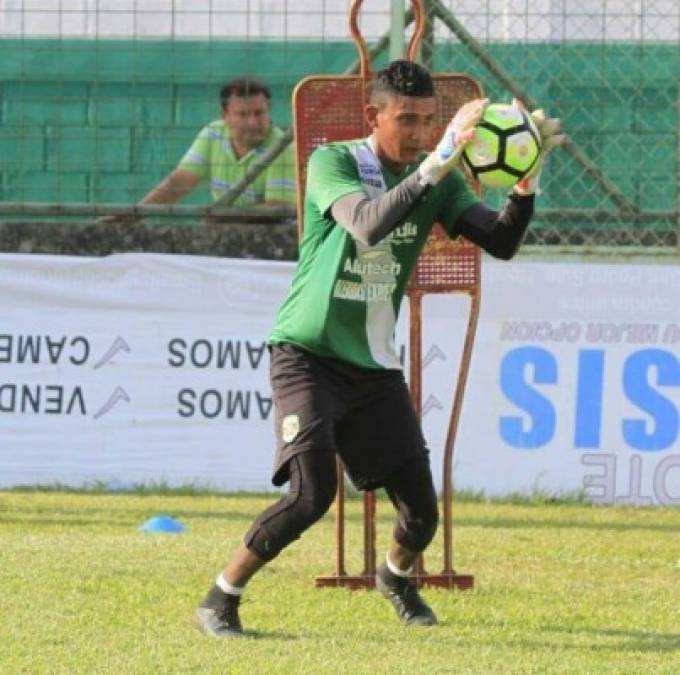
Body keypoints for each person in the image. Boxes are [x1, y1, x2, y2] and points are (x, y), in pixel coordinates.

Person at [195, 60, 564, 636]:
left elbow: (503, 241)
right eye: (406, 120)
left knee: (421, 516)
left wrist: (527, 181)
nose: (419, 133)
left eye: (428, 121)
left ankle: (393, 577)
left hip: (372, 367)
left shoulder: (435, 180)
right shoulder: (333, 161)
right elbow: (366, 225)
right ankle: (221, 596)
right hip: (306, 353)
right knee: (312, 494)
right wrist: (440, 162)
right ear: (375, 115)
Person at [104, 77, 296, 222]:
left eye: (259, 113)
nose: (253, 122)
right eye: (243, 115)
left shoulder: (283, 147)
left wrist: (223, 216)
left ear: (269, 109)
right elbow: (179, 182)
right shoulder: (213, 133)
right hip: (227, 229)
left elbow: (278, 208)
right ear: (225, 116)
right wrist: (135, 215)